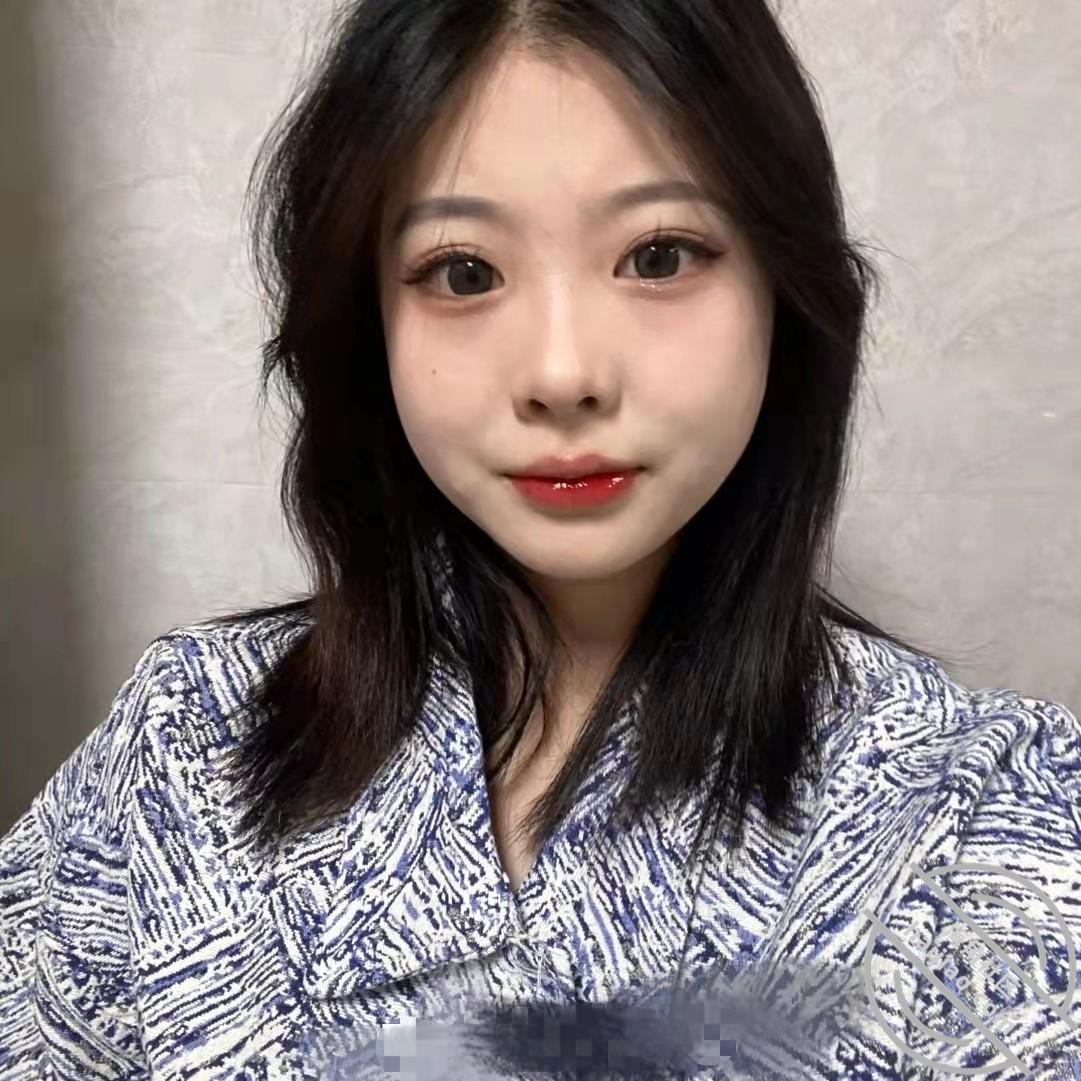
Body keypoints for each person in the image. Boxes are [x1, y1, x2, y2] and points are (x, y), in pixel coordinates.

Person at [2, 1, 1078, 1078]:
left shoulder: (977, 806)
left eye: (658, 254)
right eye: (463, 272)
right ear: (366, 322)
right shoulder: (187, 747)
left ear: (783, 291)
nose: (563, 373)